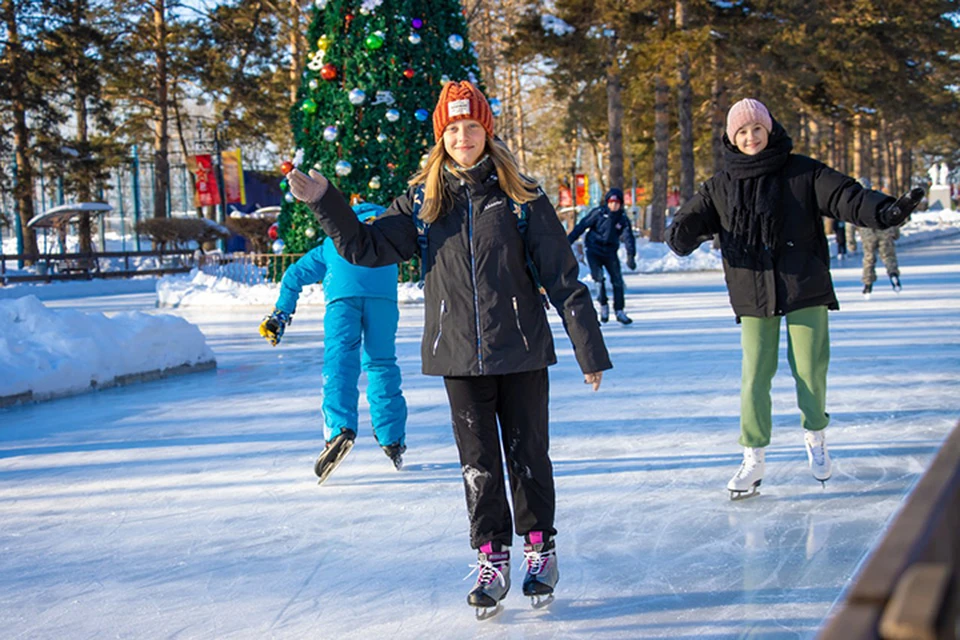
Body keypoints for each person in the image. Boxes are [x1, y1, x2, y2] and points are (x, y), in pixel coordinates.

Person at [285, 81, 611, 611]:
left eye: (472, 126)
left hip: (522, 349)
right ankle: (491, 558)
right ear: (441, 137)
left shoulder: (522, 196)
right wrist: (327, 202)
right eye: (453, 129)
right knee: (478, 465)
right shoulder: (422, 202)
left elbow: (563, 276)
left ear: (488, 131)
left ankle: (538, 549)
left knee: (528, 455)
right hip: (458, 354)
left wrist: (588, 349)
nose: (463, 136)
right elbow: (366, 248)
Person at [665, 98, 923, 499]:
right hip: (753, 289)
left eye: (756, 129)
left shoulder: (801, 171)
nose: (751, 137)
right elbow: (692, 218)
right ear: (732, 139)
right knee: (755, 375)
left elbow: (846, 197)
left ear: (769, 129)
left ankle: (816, 436)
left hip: (804, 284)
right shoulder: (721, 184)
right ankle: (754, 457)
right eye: (742, 132)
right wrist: (682, 232)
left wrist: (885, 211)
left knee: (809, 368)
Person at [258, 201, 408, 482]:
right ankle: (392, 438)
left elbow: (294, 275)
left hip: (342, 298)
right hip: (383, 301)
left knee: (340, 363)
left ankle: (340, 429)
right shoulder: (389, 234)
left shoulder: (335, 238)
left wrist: (281, 314)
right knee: (381, 364)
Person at [567, 188, 637, 324]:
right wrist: (567, 241)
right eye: (611, 202)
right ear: (607, 202)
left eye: (617, 202)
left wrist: (631, 256)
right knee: (598, 278)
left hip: (610, 252)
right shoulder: (598, 213)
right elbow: (581, 226)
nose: (614, 205)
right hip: (594, 250)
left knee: (617, 281)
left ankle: (619, 311)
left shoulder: (622, 219)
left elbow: (628, 237)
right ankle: (603, 306)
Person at [856, 177, 902, 297]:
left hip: (867, 234)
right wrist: (895, 232)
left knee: (869, 259)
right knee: (888, 256)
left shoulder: (855, 202)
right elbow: (892, 215)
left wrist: (850, 242)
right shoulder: (879, 197)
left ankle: (867, 285)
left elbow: (850, 223)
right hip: (884, 231)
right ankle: (893, 275)